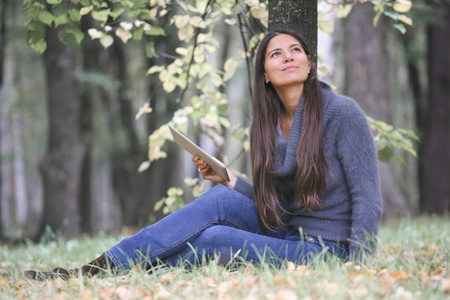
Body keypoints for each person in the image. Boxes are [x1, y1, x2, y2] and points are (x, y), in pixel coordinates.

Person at [25, 28, 382, 280]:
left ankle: (116, 269)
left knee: (211, 240)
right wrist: (228, 179)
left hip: (326, 248)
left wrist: (358, 265)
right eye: (276, 53)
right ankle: (102, 266)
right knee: (218, 200)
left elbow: (368, 198)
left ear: (308, 64)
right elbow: (278, 206)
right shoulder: (269, 125)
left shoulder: (342, 113)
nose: (288, 57)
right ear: (266, 75)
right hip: (288, 233)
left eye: (295, 51)